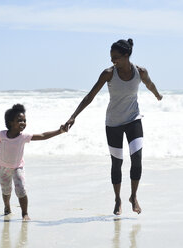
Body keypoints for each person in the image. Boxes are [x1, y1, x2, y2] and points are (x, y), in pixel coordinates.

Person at [64, 38, 163, 215]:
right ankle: (117, 199)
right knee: (117, 163)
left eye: (116, 57)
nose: (112, 61)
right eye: (111, 57)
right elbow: (90, 96)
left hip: (134, 120)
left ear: (126, 55)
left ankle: (133, 196)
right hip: (113, 124)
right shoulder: (108, 73)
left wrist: (157, 94)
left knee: (137, 158)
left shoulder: (140, 72)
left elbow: (150, 84)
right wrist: (73, 116)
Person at [0, 104, 66, 221]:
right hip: (3, 167)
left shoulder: (24, 137)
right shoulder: (2, 135)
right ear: (10, 122)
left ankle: (24, 213)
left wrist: (59, 131)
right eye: (19, 120)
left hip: (17, 167)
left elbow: (42, 136)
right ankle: (7, 206)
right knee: (6, 190)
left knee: (21, 190)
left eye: (24, 121)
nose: (23, 123)